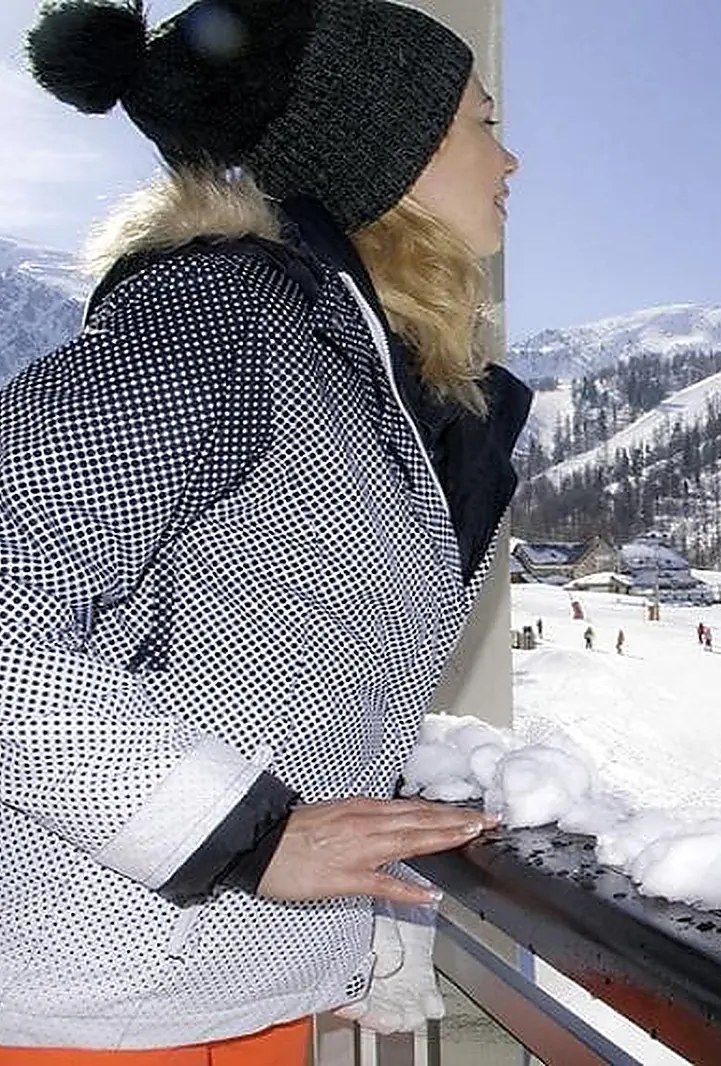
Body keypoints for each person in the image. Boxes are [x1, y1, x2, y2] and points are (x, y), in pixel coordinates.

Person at [3, 0, 527, 1058]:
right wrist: (248, 836)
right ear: (392, 147)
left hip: (229, 986)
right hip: (100, 1000)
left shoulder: (350, 366)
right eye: (480, 121)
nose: (509, 158)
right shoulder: (224, 317)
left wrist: (348, 924)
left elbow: (292, 664)